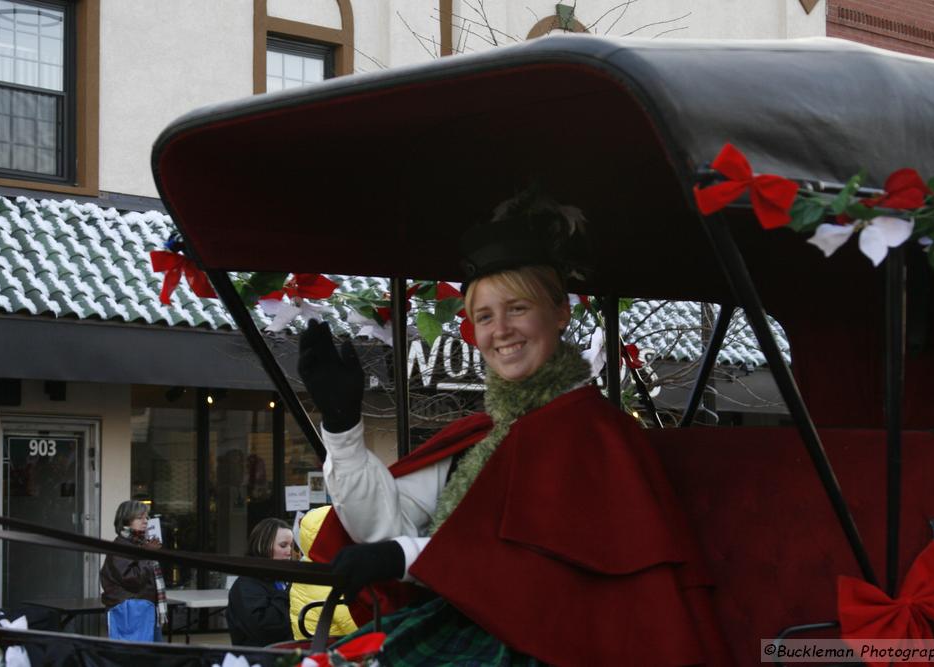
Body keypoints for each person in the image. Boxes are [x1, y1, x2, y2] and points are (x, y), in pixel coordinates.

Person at [299, 190, 732, 665]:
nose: (499, 330)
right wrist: (343, 427)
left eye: (518, 308)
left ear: (561, 314)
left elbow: (541, 569)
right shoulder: (481, 433)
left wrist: (404, 558)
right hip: (463, 622)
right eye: (484, 316)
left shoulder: (593, 432)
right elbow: (383, 526)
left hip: (547, 646)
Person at [99, 500, 167, 641]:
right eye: (140, 517)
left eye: (146, 517)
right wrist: (147, 555)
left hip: (144, 612)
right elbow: (133, 580)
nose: (145, 521)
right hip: (130, 616)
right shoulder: (121, 547)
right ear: (126, 520)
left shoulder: (140, 544)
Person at [288, 506, 359, 640]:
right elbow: (357, 623)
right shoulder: (324, 576)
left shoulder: (312, 568)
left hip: (319, 649)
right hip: (332, 651)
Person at [225, 518, 296, 647]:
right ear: (262, 546)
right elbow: (265, 629)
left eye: (291, 545)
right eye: (283, 545)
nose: (289, 552)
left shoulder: (281, 579)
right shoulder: (246, 584)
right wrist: (288, 593)